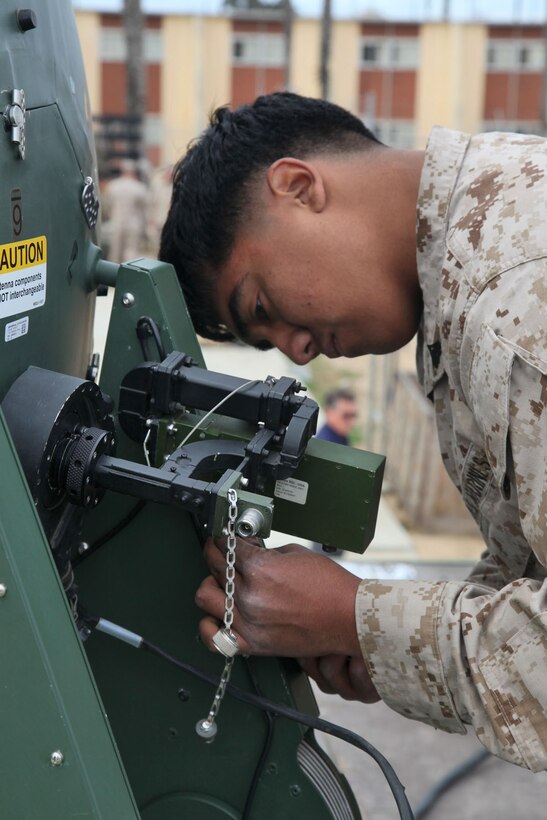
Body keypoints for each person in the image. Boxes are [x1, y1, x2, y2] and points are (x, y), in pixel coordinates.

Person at [159, 92, 547, 772]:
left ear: (297, 187)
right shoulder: (483, 236)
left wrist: (354, 616)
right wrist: (388, 643)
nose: (297, 349)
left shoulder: (512, 306)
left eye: (261, 304)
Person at [102, 158, 148, 263]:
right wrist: (144, 226)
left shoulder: (113, 186)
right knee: (131, 252)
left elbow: (106, 205)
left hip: (116, 222)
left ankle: (114, 272)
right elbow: (144, 210)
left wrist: (110, 215)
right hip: (134, 224)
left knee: (115, 252)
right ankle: (129, 272)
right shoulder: (139, 187)